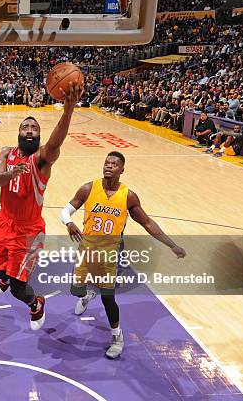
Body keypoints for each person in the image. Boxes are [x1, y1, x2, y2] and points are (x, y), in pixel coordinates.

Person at [61, 151, 186, 359]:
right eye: (106, 162)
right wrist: (69, 222)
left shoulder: (128, 196)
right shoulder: (88, 188)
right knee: (76, 290)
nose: (109, 166)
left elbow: (147, 223)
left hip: (112, 250)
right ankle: (86, 295)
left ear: (122, 170)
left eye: (114, 164)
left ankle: (117, 336)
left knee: (108, 297)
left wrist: (172, 245)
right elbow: (65, 211)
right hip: (88, 247)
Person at [0, 81, 83, 330]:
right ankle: (6, 276)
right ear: (18, 132)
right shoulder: (6, 152)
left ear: (38, 136)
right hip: (3, 221)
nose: (29, 130)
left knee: (18, 289)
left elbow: (54, 144)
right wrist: (11, 173)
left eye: (34, 128)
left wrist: (68, 111)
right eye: (25, 126)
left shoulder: (42, 160)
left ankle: (36, 303)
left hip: (28, 229)